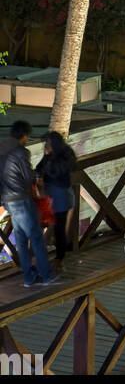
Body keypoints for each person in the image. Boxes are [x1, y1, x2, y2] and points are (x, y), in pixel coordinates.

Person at [0, 120, 58, 287]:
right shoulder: (21, 152)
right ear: (24, 135)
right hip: (22, 199)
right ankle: (46, 275)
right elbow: (27, 177)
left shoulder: (2, 151)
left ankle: (29, 277)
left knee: (20, 237)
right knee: (36, 236)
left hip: (8, 200)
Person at [35, 131, 77, 272]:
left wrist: (47, 160)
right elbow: (39, 169)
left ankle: (59, 257)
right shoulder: (54, 155)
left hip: (60, 195)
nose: (45, 145)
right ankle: (56, 254)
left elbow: (52, 172)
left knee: (59, 226)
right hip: (54, 196)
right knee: (53, 225)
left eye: (47, 142)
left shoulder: (61, 157)